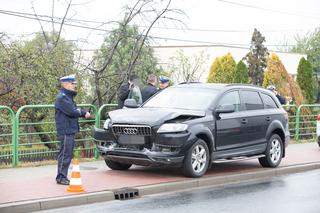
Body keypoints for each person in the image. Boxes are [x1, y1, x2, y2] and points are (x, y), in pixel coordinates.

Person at [54, 74, 91, 185]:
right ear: (65, 84)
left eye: (74, 83)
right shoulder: (62, 98)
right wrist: (84, 113)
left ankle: (62, 176)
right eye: (72, 84)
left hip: (68, 129)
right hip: (65, 130)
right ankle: (61, 177)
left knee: (67, 153)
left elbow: (73, 110)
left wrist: (80, 112)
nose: (75, 86)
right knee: (65, 154)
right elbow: (72, 111)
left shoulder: (66, 97)